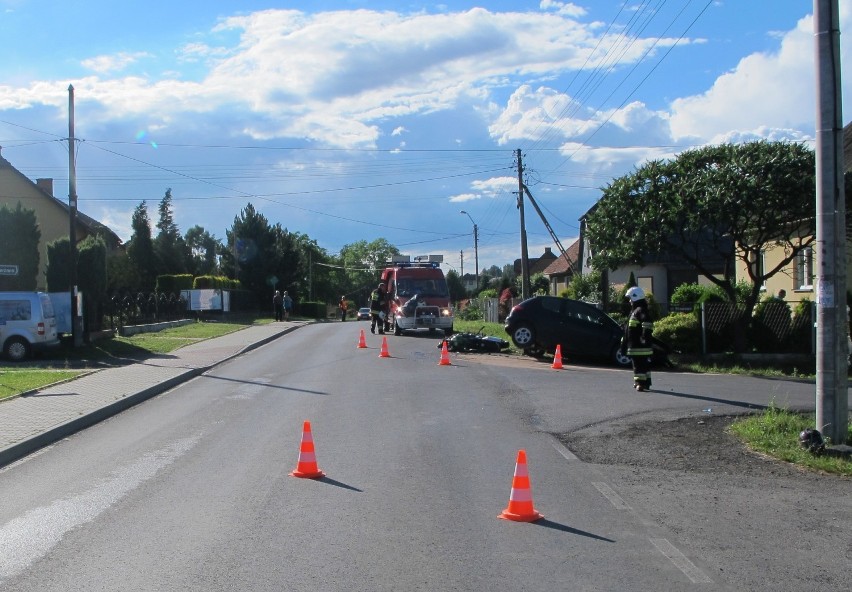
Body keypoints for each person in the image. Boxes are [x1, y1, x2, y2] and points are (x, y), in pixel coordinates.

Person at [621, 286, 654, 392]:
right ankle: (646, 382)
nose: (630, 301)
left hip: (639, 346)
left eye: (630, 298)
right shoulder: (637, 310)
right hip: (638, 345)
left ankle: (640, 383)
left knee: (638, 365)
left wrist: (644, 338)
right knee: (644, 365)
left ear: (635, 297)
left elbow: (647, 324)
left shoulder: (640, 310)